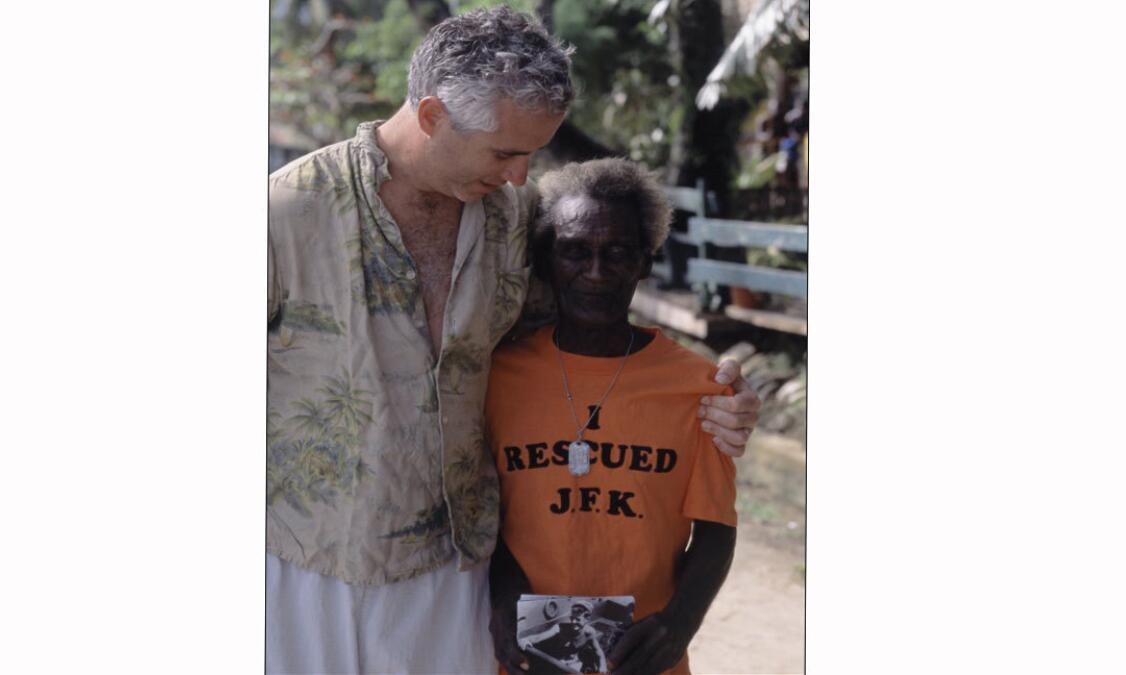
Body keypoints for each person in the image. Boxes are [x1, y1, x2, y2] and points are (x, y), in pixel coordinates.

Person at [267, 7, 759, 673]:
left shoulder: (513, 221)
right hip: (310, 570)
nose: (522, 176)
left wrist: (715, 396)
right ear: (434, 115)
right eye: (505, 151)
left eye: (531, 154)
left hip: (461, 577)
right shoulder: (286, 212)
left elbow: (592, 326)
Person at [487, 158, 738, 675]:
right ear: (546, 259)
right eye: (575, 252)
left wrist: (678, 624)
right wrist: (502, 598)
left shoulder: (697, 386)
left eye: (618, 253)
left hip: (642, 656)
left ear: (646, 263)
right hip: (528, 656)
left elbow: (715, 527)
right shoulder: (497, 375)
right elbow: (480, 511)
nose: (596, 273)